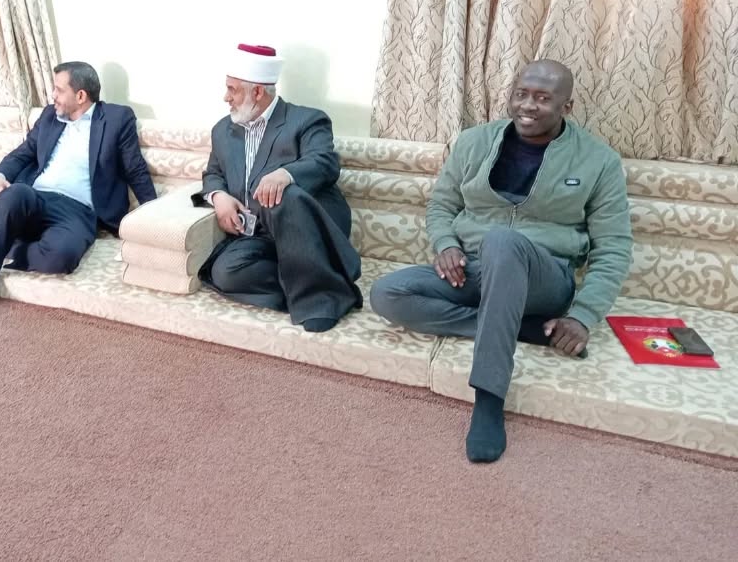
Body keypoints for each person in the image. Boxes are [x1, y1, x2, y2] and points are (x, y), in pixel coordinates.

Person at [370, 60, 632, 463]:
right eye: (521, 94)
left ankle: (489, 400)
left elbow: (613, 246)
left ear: (567, 106)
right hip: (474, 269)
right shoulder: (474, 142)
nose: (528, 105)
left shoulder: (598, 161)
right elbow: (442, 204)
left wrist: (582, 316)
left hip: (544, 279)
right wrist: (446, 245)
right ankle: (521, 329)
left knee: (503, 241)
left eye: (543, 98)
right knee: (387, 293)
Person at [0, 61, 157, 323]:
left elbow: (136, 170)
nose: (53, 95)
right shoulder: (50, 116)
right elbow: (24, 153)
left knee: (61, 257)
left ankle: (2, 246)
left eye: (59, 89)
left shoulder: (116, 118)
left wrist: (154, 218)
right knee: (13, 195)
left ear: (80, 95)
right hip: (36, 197)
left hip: (78, 210)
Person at [194, 44, 362, 332]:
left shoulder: (307, 120)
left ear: (258, 92)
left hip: (307, 230)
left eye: (232, 89)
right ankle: (323, 283)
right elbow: (213, 173)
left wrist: (286, 174)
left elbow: (324, 162)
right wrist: (219, 196)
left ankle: (319, 301)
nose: (226, 97)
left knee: (281, 195)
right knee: (225, 273)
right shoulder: (222, 130)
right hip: (260, 234)